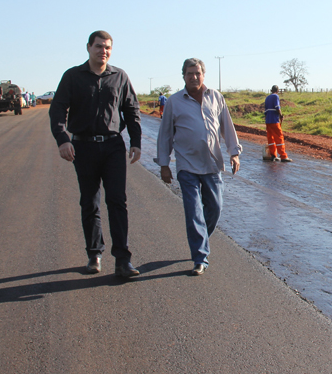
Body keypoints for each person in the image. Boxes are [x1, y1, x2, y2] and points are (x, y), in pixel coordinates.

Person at [50, 30, 143, 278]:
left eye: (108, 47)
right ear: (88, 47)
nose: (104, 51)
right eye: (99, 46)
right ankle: (94, 254)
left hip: (113, 146)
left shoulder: (119, 76)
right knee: (90, 201)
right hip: (84, 147)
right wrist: (62, 139)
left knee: (117, 201)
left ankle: (123, 260)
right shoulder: (72, 77)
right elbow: (57, 109)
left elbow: (131, 110)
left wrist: (136, 142)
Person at [156, 58, 241, 276]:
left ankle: (199, 238)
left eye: (197, 73)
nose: (194, 77)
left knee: (215, 208)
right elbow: (165, 135)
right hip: (187, 165)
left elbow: (227, 126)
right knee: (193, 210)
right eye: (189, 73)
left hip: (212, 164)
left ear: (203, 75)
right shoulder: (174, 102)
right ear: (183, 76)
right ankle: (200, 257)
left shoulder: (216, 97)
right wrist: (164, 165)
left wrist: (234, 152)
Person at [263, 85, 291, 162]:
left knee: (271, 138)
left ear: (271, 90)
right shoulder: (276, 96)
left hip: (268, 121)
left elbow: (265, 111)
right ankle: (283, 156)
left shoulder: (267, 98)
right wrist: (281, 115)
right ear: (278, 90)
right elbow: (277, 107)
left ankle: (273, 155)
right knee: (279, 137)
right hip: (274, 121)